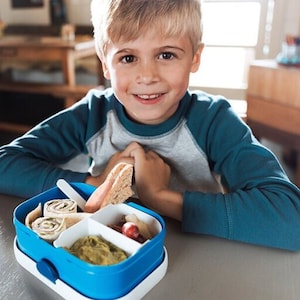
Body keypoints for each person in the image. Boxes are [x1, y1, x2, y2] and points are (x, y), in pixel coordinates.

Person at [1, 0, 300, 251]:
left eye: (166, 54)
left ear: (195, 57)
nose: (147, 76)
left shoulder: (213, 120)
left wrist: (159, 196)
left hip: (199, 257)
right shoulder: (92, 114)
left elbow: (290, 216)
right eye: (128, 57)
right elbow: (5, 163)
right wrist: (96, 184)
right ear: (105, 62)